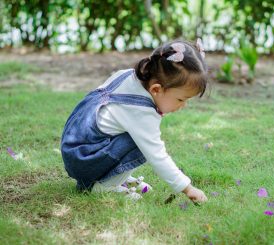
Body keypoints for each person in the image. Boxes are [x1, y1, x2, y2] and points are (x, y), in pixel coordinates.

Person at [61, 39, 208, 202]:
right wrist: (187, 188)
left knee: (133, 137)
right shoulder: (142, 113)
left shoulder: (128, 76)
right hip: (84, 160)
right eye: (181, 99)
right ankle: (101, 187)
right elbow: (157, 155)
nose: (184, 105)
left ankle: (114, 178)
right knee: (140, 143)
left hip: (76, 149)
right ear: (156, 89)